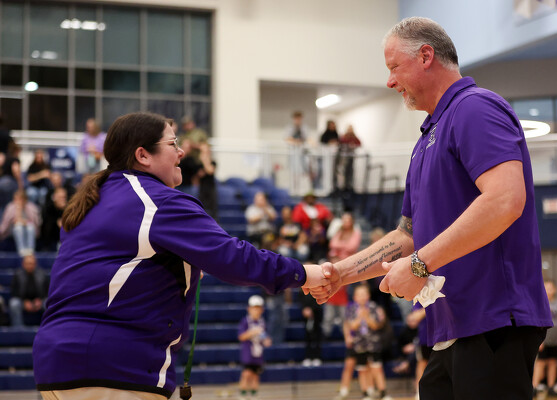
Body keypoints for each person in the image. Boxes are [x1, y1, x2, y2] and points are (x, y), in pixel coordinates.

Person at [307, 17, 552, 400]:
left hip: (493, 322)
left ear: (425, 56)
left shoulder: (475, 107)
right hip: (452, 326)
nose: (390, 82)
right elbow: (408, 234)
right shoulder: (426, 137)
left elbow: (506, 199)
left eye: (393, 67)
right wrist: (341, 273)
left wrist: (420, 265)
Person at [32, 112, 332, 400]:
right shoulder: (156, 202)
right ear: (143, 155)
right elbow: (232, 258)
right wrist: (305, 273)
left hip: (56, 365)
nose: (181, 152)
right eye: (172, 143)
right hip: (112, 367)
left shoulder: (93, 201)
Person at [345, 283, 392, 400]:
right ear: (355, 297)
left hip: (373, 343)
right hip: (359, 344)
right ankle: (365, 393)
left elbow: (376, 325)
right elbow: (352, 326)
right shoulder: (351, 309)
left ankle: (383, 392)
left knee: (377, 368)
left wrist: (367, 317)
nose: (361, 297)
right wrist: (360, 317)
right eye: (359, 295)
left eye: (364, 294)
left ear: (368, 295)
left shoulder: (374, 307)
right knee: (362, 370)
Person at [532, 279, 557, 397]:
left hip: (555, 340)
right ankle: (534, 387)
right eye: (546, 288)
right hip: (543, 340)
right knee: (540, 363)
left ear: (555, 289)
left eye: (550, 288)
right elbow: (536, 323)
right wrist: (538, 340)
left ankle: (551, 387)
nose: (548, 290)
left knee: (553, 363)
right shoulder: (538, 304)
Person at [238, 295, 271, 400]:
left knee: (256, 375)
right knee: (246, 374)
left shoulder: (262, 322)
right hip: (248, 353)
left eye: (258, 308)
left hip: (258, 353)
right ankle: (243, 393)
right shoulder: (245, 321)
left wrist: (266, 340)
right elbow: (241, 336)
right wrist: (252, 332)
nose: (256, 311)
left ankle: (254, 394)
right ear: (249, 309)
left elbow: (265, 336)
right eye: (254, 308)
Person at [9, 254, 48, 327]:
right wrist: (24, 302)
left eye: (32, 263)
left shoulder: (42, 274)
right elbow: (14, 292)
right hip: (22, 301)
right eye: (28, 263)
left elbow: (47, 291)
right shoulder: (17, 274)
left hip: (39, 300)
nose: (30, 266)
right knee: (14, 304)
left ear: (35, 264)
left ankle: (46, 327)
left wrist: (40, 300)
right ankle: (18, 328)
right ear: (23, 264)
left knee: (48, 303)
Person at [0, 190, 41, 256]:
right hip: (12, 230)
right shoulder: (10, 207)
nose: (19, 201)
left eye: (21, 199)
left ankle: (30, 250)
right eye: (16, 199)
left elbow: (37, 222)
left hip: (29, 229)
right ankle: (21, 250)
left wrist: (24, 221)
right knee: (18, 227)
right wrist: (18, 211)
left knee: (30, 227)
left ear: (25, 199)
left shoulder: (32, 207)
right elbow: (6, 223)